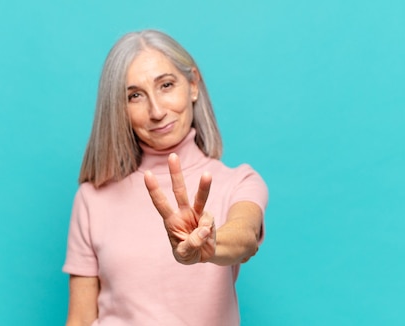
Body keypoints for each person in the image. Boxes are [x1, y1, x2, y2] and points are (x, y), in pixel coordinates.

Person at [63, 29, 268, 326]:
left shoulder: (240, 182)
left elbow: (245, 237)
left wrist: (208, 245)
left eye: (166, 85)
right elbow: (80, 319)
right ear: (119, 109)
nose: (157, 111)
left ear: (193, 85)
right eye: (135, 96)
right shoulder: (92, 198)